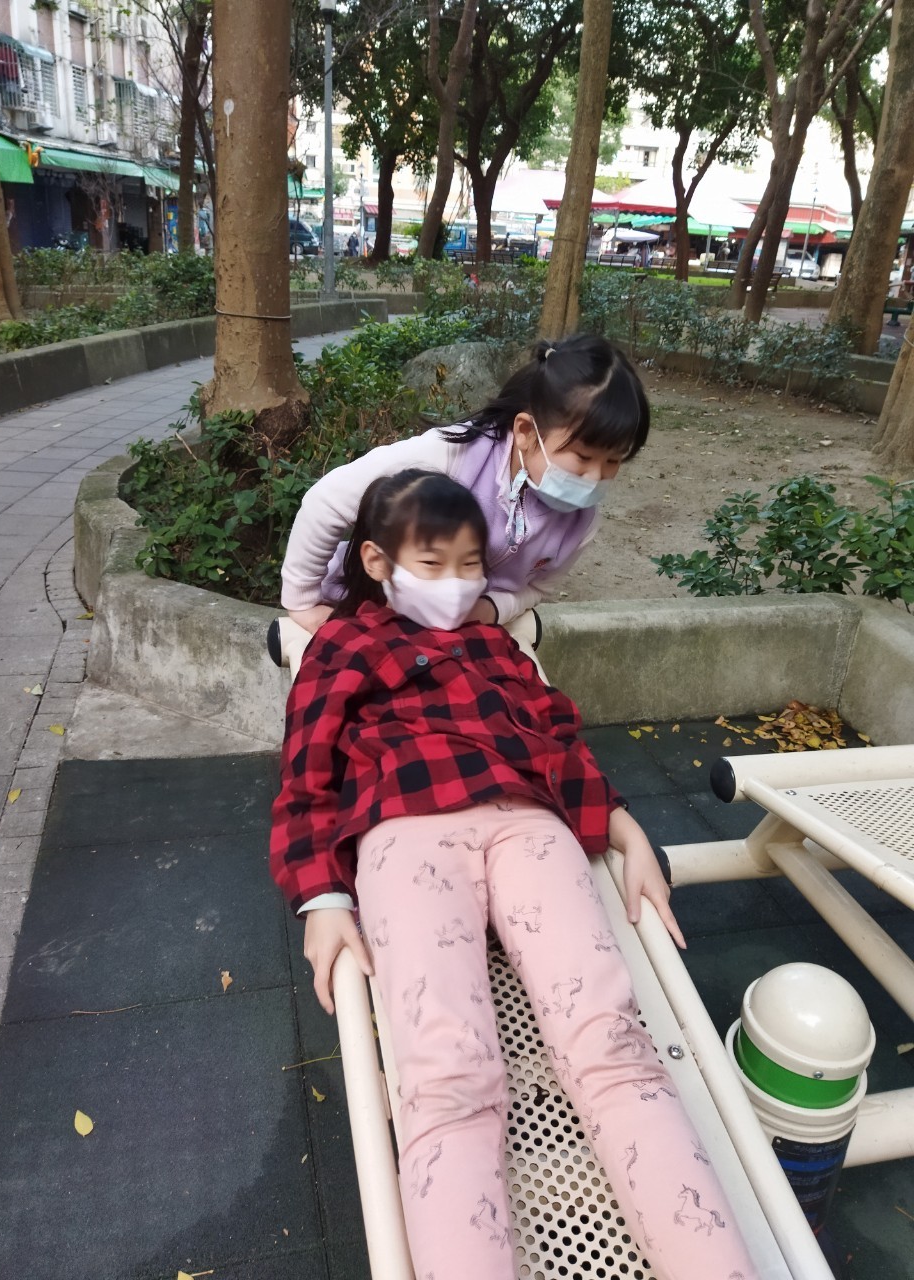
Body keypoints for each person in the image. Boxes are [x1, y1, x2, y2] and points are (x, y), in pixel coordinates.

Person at [270, 469, 758, 1280]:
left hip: (530, 827)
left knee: (612, 1042)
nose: (457, 585)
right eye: (433, 565)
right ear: (379, 562)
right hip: (406, 831)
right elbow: (305, 773)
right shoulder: (346, 644)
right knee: (445, 1074)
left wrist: (626, 830)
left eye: (470, 565)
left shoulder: (496, 646)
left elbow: (559, 740)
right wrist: (320, 896)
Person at [280, 335, 650, 642]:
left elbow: (538, 588)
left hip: (454, 635)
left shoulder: (580, 524)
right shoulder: (452, 454)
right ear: (525, 431)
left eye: (613, 461)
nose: (595, 477)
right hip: (371, 612)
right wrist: (303, 602)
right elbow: (325, 502)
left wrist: (491, 609)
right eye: (583, 457)